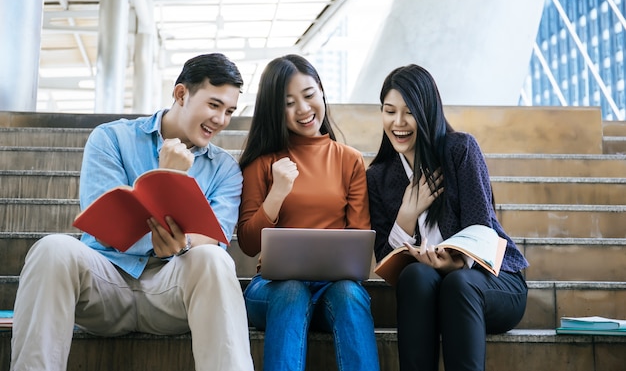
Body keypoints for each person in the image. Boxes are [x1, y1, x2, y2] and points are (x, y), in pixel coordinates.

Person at [11, 53, 254, 371]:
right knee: (52, 248)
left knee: (215, 260)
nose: (221, 120)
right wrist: (170, 180)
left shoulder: (225, 170)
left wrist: (181, 245)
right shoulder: (110, 138)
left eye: (230, 111)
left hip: (172, 293)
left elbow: (213, 240)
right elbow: (103, 222)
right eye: (214, 105)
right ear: (181, 94)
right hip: (104, 285)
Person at [366, 64, 529, 371]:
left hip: (491, 283)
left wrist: (457, 261)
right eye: (389, 111)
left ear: (427, 111)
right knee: (414, 275)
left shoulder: (459, 150)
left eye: (409, 112)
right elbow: (387, 264)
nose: (398, 122)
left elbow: (482, 227)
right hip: (428, 293)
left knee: (459, 283)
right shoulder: (378, 177)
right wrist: (406, 214)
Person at [237, 54, 380, 371]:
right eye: (289, 103)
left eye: (309, 95)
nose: (303, 109)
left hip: (334, 290)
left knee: (350, 294)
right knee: (290, 290)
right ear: (275, 110)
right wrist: (277, 192)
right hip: (273, 291)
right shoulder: (262, 163)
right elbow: (247, 242)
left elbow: (359, 237)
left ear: (322, 93)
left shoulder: (349, 160)